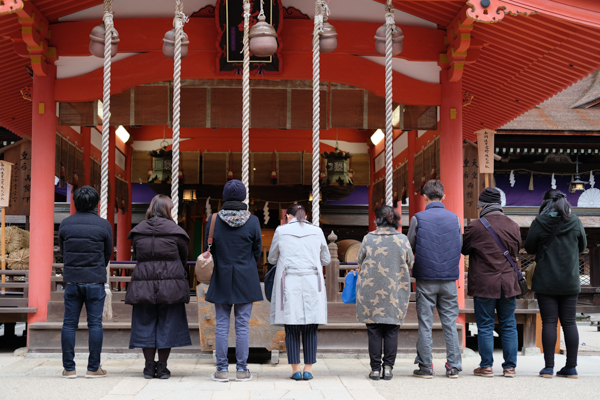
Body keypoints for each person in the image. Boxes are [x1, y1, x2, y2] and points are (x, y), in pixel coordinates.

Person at [126, 195, 192, 379]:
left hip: (143, 283)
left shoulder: (138, 232)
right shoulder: (176, 231)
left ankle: (148, 368)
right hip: (171, 284)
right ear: (167, 210)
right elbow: (183, 258)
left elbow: (137, 255)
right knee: (168, 323)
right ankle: (162, 368)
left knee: (145, 322)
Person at [525, 190, 587, 379]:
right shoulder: (575, 221)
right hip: (570, 280)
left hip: (546, 281)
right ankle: (571, 367)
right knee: (569, 322)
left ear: (545, 204)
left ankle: (549, 368)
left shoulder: (540, 222)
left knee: (549, 322)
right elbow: (582, 246)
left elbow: (529, 247)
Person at [205, 179, 263, 382]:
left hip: (221, 275)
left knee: (221, 324)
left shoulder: (213, 220)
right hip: (245, 277)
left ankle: (221, 370)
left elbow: (208, 248)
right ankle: (241, 369)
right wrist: (246, 263)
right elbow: (257, 250)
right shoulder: (253, 221)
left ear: (225, 197)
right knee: (242, 325)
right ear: (243, 197)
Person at [462, 187, 521, 378]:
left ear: (483, 206)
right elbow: (517, 249)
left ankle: (486, 366)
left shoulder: (476, 226)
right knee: (509, 324)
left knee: (486, 325)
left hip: (484, 283)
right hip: (509, 283)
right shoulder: (513, 225)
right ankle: (510, 367)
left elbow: (463, 248)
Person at [407, 179, 462, 379]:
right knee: (450, 322)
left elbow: (409, 246)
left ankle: (426, 366)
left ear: (424, 197)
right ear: (443, 196)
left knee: (425, 322)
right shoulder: (454, 218)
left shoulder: (418, 218)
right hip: (448, 278)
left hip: (425, 278)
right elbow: (459, 244)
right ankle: (454, 366)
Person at [268, 204, 330, 381]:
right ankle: (308, 369)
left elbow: (272, 258)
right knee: (310, 326)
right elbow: (326, 259)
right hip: (311, 281)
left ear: (288, 216)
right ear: (307, 215)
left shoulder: (281, 231)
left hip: (289, 281)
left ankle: (295, 369)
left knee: (292, 325)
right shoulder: (317, 231)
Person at [59, 185, 113, 379]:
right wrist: (97, 266)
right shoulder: (103, 225)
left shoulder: (66, 224)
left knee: (69, 324)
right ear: (96, 203)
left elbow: (63, 252)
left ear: (76, 202)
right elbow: (107, 254)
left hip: (72, 280)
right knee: (95, 324)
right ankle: (93, 368)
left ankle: (69, 368)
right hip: (94, 280)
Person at [356, 205, 414, 381]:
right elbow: (410, 262)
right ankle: (388, 369)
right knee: (391, 330)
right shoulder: (402, 239)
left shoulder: (368, 238)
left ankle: (375, 370)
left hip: (371, 290)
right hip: (395, 290)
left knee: (373, 330)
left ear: (377, 220)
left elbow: (359, 260)